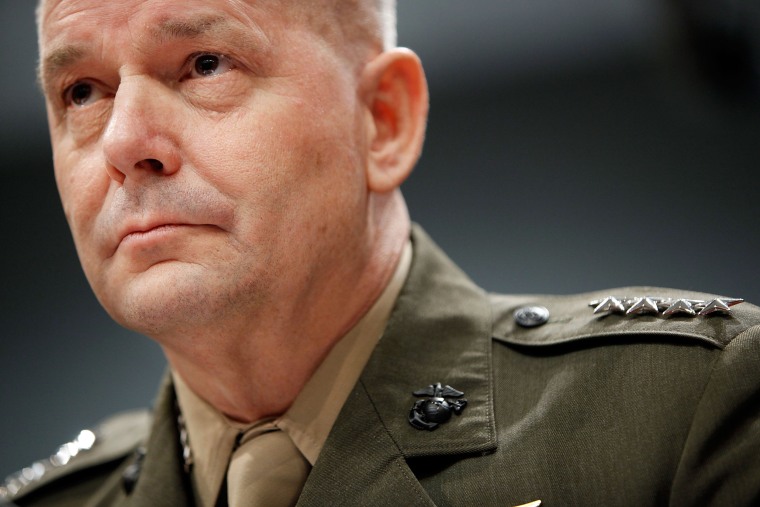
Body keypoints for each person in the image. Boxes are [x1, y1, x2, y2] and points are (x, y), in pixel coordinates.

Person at [3, 0, 759, 505]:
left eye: (204, 64)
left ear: (383, 120)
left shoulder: (682, 417)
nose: (125, 141)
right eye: (81, 92)